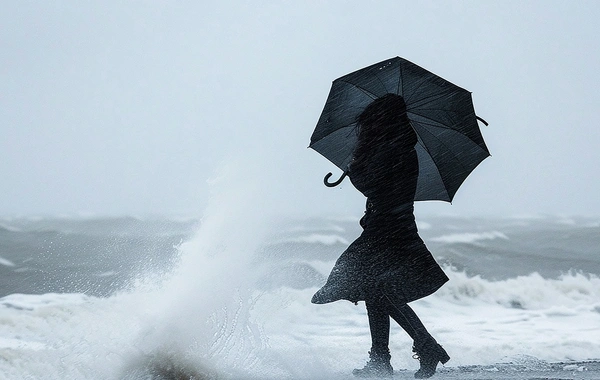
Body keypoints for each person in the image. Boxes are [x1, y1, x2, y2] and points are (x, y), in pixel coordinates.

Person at [311, 94, 450, 379]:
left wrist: (355, 171)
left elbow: (376, 188)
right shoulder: (396, 146)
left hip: (389, 228)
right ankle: (393, 355)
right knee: (376, 290)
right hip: (389, 225)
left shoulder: (396, 149)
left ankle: (405, 352)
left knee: (373, 288)